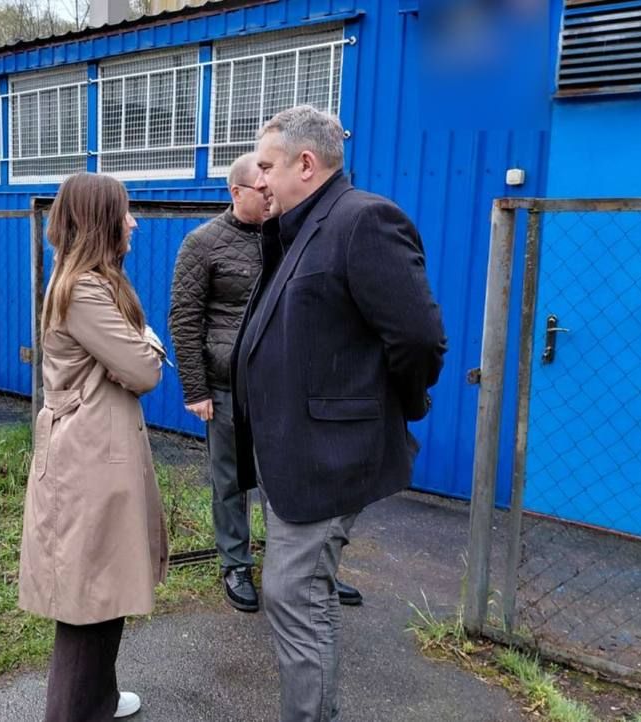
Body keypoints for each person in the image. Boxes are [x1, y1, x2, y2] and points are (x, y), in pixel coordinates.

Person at [233, 105, 447, 721]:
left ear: (306, 163)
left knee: (293, 594)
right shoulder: (296, 227)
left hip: (327, 456)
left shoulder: (362, 220)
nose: (259, 179)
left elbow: (419, 340)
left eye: (267, 166)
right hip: (290, 454)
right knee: (300, 593)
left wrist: (391, 406)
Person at [168, 153, 362, 613]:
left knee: (293, 479)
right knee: (230, 480)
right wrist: (196, 389)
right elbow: (185, 318)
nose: (270, 192)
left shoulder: (291, 236)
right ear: (237, 192)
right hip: (227, 388)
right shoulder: (203, 243)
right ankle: (235, 563)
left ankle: (304, 569)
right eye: (262, 188)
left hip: (285, 387)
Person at [18, 172, 169, 722]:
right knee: (87, 602)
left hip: (96, 455)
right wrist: (146, 340)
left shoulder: (92, 282)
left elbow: (128, 362)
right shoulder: (83, 289)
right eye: (124, 212)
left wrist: (133, 346)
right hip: (87, 464)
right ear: (101, 221)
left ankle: (99, 700)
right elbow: (143, 369)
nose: (134, 222)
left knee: (103, 589)